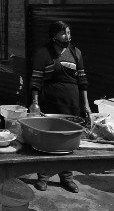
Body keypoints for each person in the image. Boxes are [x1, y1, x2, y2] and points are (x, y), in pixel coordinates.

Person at [29, 21, 91, 193]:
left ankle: (67, 178)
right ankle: (43, 177)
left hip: (71, 105)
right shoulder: (43, 54)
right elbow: (36, 81)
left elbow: (82, 81)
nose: (68, 36)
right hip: (49, 103)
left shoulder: (76, 53)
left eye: (69, 33)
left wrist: (86, 104)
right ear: (54, 35)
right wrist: (35, 103)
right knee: (47, 141)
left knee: (67, 141)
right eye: (64, 33)